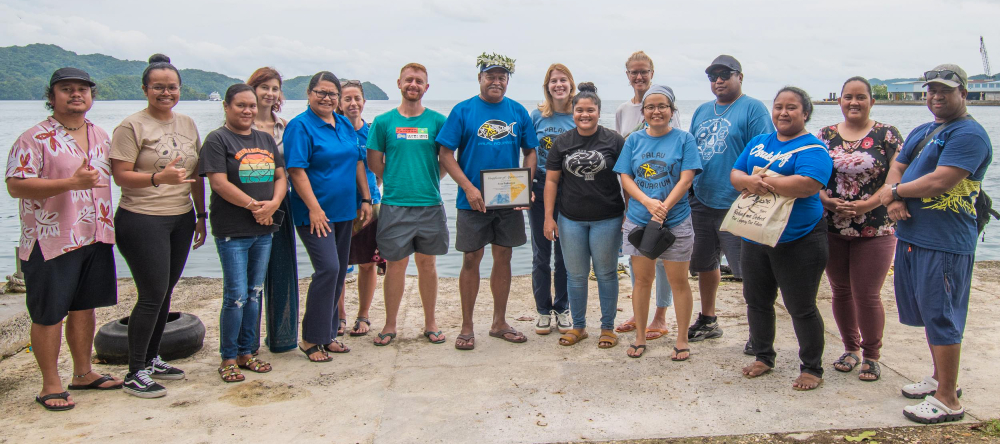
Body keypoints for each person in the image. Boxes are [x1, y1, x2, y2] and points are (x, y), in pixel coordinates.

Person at [877, 64, 992, 424]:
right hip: (913, 235)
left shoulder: (969, 134)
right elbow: (898, 166)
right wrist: (894, 198)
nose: (936, 97)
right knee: (929, 312)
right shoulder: (925, 130)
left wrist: (894, 192)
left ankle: (948, 400)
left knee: (942, 314)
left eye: (945, 90)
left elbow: (940, 181)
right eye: (931, 91)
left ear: (964, 94)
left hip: (945, 240)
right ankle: (941, 379)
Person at [6, 68, 121, 410]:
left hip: (95, 233)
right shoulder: (34, 138)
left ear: (91, 96)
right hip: (51, 238)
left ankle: (83, 372)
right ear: (52, 96)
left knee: (84, 307)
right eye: (66, 89)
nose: (75, 94)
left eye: (82, 89)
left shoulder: (100, 135)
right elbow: (16, 185)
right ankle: (50, 384)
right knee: (48, 313)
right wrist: (70, 183)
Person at [110, 54, 207, 398]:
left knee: (165, 291)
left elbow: (196, 175)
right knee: (151, 295)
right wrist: (157, 178)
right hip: (142, 218)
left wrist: (201, 215)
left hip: (180, 217)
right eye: (158, 87)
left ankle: (151, 359)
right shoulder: (131, 126)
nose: (166, 93)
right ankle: (134, 371)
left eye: (172, 87)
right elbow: (120, 175)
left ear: (180, 89)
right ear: (145, 89)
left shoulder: (187, 124)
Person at [733, 86, 833, 391]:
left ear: (805, 113)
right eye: (778, 107)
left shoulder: (814, 149)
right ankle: (763, 356)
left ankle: (812, 367)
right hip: (756, 235)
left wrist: (761, 182)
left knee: (801, 306)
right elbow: (736, 175)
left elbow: (808, 184)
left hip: (799, 239)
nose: (783, 113)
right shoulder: (759, 142)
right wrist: (749, 180)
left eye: (791, 107)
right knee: (757, 301)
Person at [437, 52, 538, 350]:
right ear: (480, 78)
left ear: (507, 81)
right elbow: (445, 154)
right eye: (490, 76)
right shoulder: (463, 110)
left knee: (504, 256)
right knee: (471, 258)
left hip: (508, 200)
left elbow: (530, 151)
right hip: (472, 201)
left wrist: (525, 186)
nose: (496, 81)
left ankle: (499, 322)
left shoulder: (518, 111)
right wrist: (468, 188)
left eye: (501, 77)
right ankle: (467, 326)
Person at [200, 83, 287, 382]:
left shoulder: (265, 138)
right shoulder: (217, 139)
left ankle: (247, 352)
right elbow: (218, 183)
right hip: (233, 230)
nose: (247, 110)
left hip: (264, 228)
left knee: (254, 292)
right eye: (240, 105)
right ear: (226, 107)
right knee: (235, 296)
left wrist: (273, 205)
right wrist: (254, 206)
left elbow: (280, 176)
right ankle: (228, 357)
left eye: (251, 105)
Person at [818, 76, 903, 382]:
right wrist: (826, 200)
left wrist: (866, 205)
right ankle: (850, 349)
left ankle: (871, 355)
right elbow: (811, 175)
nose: (854, 102)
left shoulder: (887, 134)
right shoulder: (825, 135)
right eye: (848, 97)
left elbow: (897, 178)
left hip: (875, 227)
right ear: (839, 100)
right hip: (832, 225)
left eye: (861, 97)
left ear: (871, 101)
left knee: (867, 294)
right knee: (840, 291)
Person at [687, 55, 773, 354]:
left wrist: (752, 188)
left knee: (747, 271)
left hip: (738, 203)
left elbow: (763, 153)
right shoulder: (701, 110)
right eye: (713, 76)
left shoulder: (753, 108)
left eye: (725, 74)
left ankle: (758, 333)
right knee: (705, 264)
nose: (719, 80)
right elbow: (692, 152)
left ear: (740, 76)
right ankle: (708, 319)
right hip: (701, 200)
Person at [284, 71, 372, 363]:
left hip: (345, 210)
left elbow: (357, 162)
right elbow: (296, 170)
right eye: (320, 92)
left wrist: (365, 198)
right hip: (315, 214)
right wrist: (314, 208)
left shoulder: (343, 123)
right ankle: (310, 338)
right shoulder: (300, 126)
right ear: (309, 94)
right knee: (328, 270)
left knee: (339, 271)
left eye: (332, 94)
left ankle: (328, 334)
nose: (327, 98)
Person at [612, 85, 701, 359]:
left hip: (676, 220)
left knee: (679, 281)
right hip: (639, 220)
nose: (656, 111)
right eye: (650, 107)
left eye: (662, 106)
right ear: (643, 112)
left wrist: (663, 207)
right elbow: (625, 176)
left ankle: (682, 339)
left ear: (672, 110)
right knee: (642, 280)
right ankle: (640, 336)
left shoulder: (684, 139)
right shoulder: (634, 140)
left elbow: (686, 179)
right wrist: (648, 202)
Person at [368, 63, 448, 345]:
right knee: (395, 265)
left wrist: (427, 179)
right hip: (394, 204)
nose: (413, 84)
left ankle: (431, 323)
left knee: (428, 265)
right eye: (409, 80)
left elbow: (446, 161)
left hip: (429, 203)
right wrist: (396, 179)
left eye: (419, 81)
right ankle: (390, 325)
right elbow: (374, 163)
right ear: (399, 83)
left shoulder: (438, 121)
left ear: (426, 87)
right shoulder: (383, 122)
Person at [542, 82, 626, 348]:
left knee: (606, 274)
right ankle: (578, 327)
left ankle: (607, 328)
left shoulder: (614, 140)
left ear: (599, 112)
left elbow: (627, 179)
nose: (585, 115)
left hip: (608, 218)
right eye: (579, 110)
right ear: (573, 112)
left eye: (590, 110)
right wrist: (548, 217)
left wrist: (629, 212)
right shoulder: (562, 142)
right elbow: (551, 181)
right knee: (575, 276)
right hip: (570, 219)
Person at [613, 51, 677, 339]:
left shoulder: (664, 106)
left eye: (644, 72)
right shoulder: (623, 111)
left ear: (652, 73)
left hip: (664, 197)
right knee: (635, 254)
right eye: (634, 72)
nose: (639, 77)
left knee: (662, 256)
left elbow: (675, 149)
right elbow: (621, 154)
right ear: (627, 75)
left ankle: (660, 315)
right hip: (633, 197)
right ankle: (638, 312)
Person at [247, 67, 298, 353]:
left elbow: (292, 169)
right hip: (246, 205)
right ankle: (247, 344)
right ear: (253, 89)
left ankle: (282, 338)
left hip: (281, 203)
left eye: (275, 88)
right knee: (248, 276)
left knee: (281, 270)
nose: (269, 93)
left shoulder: (285, 127)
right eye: (264, 87)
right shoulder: (241, 123)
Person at [335, 79, 384, 340]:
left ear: (364, 101)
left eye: (357, 98)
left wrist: (372, 193)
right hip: (339, 205)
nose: (353, 103)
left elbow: (380, 167)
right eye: (347, 99)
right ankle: (339, 315)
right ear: (339, 103)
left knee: (367, 264)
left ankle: (363, 315)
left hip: (369, 206)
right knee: (338, 266)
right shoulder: (334, 130)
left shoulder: (372, 131)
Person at [529, 63, 574, 335]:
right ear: (547, 86)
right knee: (541, 254)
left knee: (565, 255)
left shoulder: (578, 114)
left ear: (571, 84)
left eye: (563, 80)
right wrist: (526, 187)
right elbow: (529, 153)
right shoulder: (537, 115)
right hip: (540, 187)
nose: (558, 85)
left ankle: (563, 307)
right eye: (553, 81)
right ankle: (543, 310)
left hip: (570, 190)